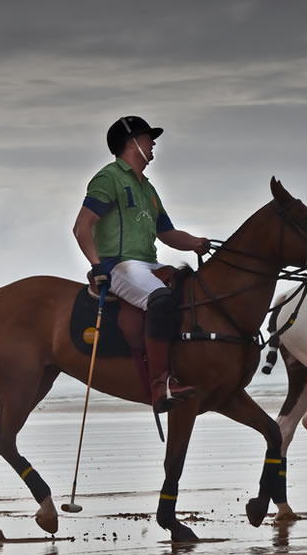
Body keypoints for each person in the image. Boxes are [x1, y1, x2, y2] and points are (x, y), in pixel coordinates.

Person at [73, 116, 211, 414]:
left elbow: (167, 233)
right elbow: (82, 226)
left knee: (188, 292)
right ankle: (161, 384)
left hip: (148, 263)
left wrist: (197, 243)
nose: (153, 144)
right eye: (148, 138)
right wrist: (97, 265)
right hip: (119, 264)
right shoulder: (108, 178)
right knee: (161, 300)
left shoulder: (147, 188)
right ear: (132, 142)